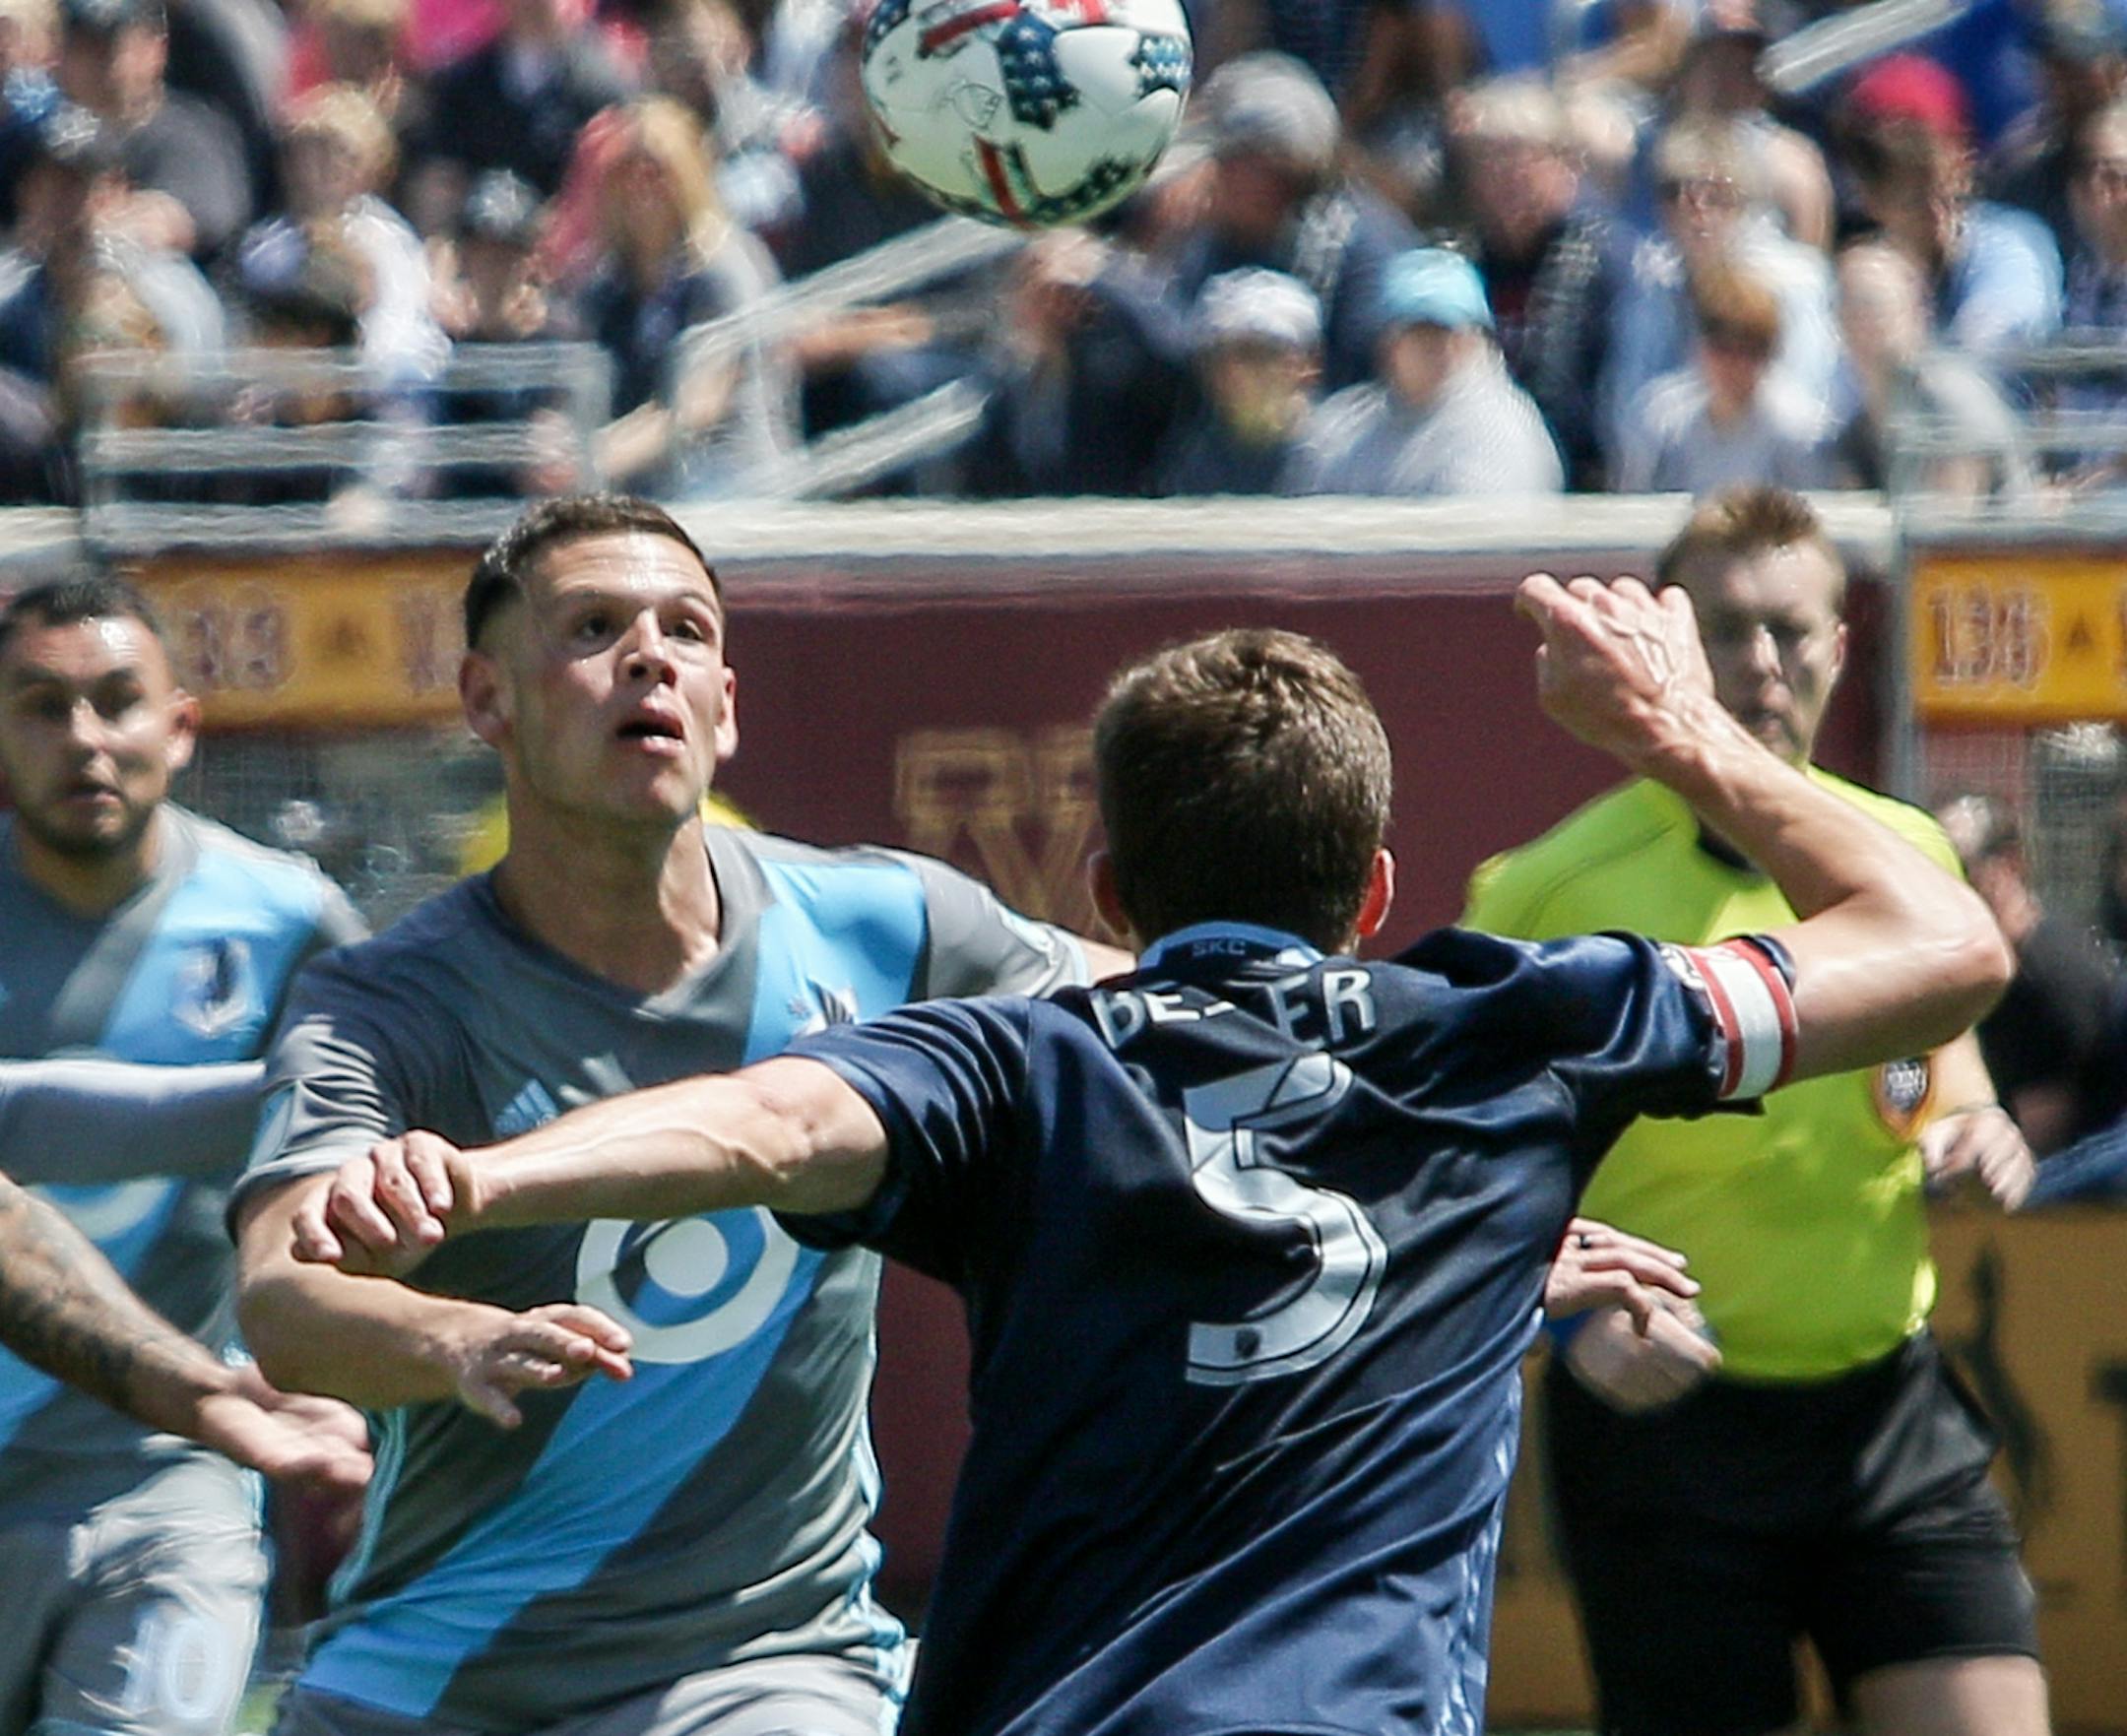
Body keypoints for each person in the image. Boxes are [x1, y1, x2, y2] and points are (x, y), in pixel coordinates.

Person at [288, 587, 2012, 1736]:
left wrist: (487, 1176)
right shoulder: (1516, 1038)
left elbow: (769, 1119)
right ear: (1378, 887)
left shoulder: (1022, 1061)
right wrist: (1681, 731)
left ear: (1104, 895)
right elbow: (1942, 946)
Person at [231, 493, 1130, 1736]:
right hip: (429, 1664)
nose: (650, 656)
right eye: (594, 626)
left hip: (769, 1664)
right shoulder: (388, 1001)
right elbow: (280, 1301)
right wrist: (450, 1341)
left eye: (687, 630)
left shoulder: (891, 928)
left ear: (726, 704)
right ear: (488, 699)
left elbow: (1176, 1004)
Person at [1462, 484, 2048, 1736]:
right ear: (1672, 649)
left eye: (1791, 629)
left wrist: (1973, 1126)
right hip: (1664, 1432)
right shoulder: (1541, 887)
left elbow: (1948, 1071)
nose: (1762, 662)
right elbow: (1452, 1181)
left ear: (1842, 645)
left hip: (1890, 1410)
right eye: (1726, 630)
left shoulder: (1906, 856)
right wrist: (1569, 1333)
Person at [0, 571, 375, 1736]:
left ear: (182, 722)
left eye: (117, 700)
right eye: (41, 705)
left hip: (170, 1475)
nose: (85, 739)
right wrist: (269, 1098)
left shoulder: (292, 920)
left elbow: (357, 1167)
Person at [1283, 244, 1563, 496]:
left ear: (1478, 340)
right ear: (1388, 341)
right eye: (1422, 332)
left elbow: (1467, 547)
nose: (1444, 348)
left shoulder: (1500, 435)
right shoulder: (1343, 429)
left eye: (1452, 332)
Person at [1936, 792, 2125, 1155]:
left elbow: (2039, 1143)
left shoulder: (2048, 976)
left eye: (1957, 865)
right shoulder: (1979, 970)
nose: (1941, 882)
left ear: (2010, 863)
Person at [1611, 256, 1833, 494]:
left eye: (1751, 351)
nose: (1735, 364)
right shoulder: (1661, 417)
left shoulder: (1799, 429)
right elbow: (1635, 504)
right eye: (1721, 347)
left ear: (1770, 355)